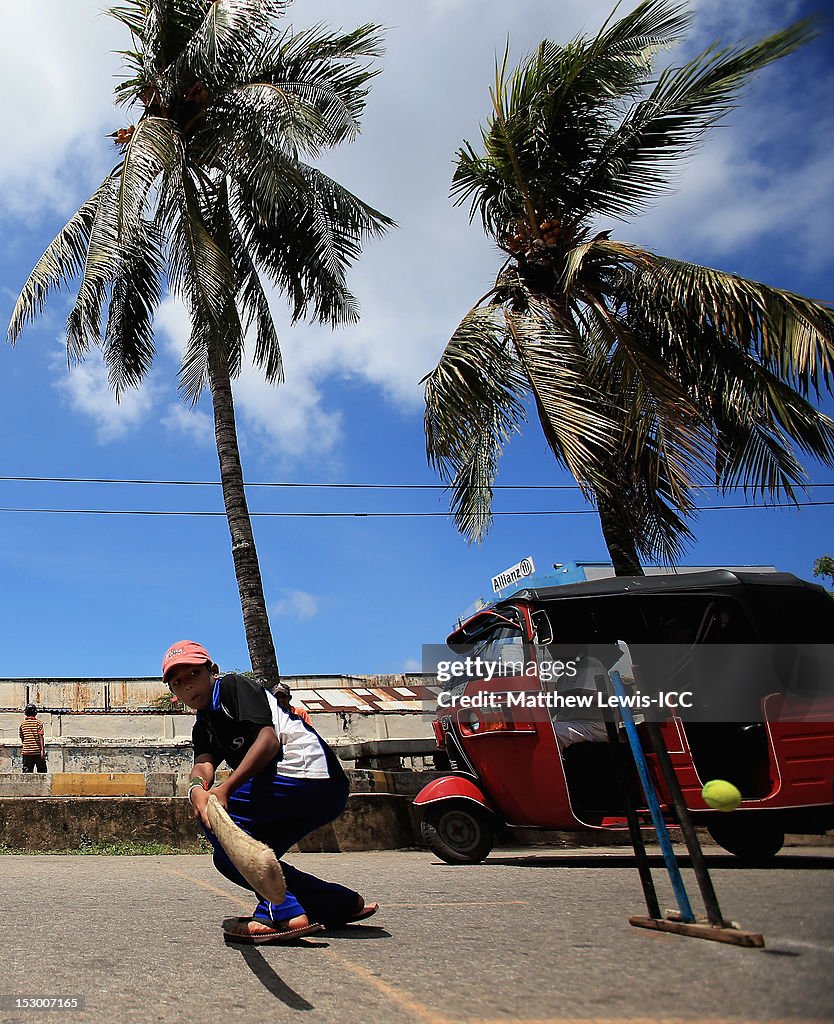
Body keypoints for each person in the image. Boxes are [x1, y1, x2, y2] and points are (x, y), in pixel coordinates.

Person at [162, 640, 378, 944]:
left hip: (306, 774)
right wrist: (196, 789)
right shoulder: (204, 723)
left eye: (193, 674)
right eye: (177, 682)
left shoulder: (232, 688)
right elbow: (203, 765)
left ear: (212, 670)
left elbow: (268, 742)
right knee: (231, 859)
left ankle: (284, 912)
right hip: (307, 791)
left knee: (220, 817)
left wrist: (225, 790)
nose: (186, 687)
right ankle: (340, 904)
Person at [19, 704, 47, 773]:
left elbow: (22, 739)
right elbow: (41, 737)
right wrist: (42, 750)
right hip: (38, 752)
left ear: (26, 713)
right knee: (42, 772)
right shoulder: (38, 723)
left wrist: (26, 747)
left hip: (27, 752)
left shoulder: (22, 724)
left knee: (27, 773)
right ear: (35, 712)